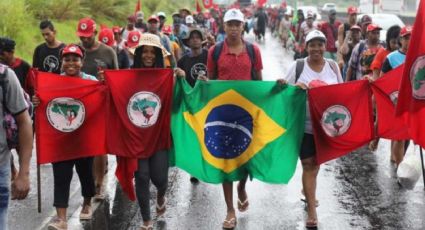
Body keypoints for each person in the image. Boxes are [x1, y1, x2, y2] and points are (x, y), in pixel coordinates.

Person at [206, 9, 263, 229]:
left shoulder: (252, 50)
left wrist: (274, 90)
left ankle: (241, 186)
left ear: (242, 26)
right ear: (224, 26)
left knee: (246, 157)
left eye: (237, 24)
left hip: (246, 114)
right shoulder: (215, 50)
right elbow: (210, 83)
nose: (233, 28)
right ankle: (230, 210)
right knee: (226, 160)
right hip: (222, 113)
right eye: (229, 24)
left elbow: (259, 82)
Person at [282, 30, 343, 228]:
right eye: (312, 45)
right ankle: (312, 209)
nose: (316, 49)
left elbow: (342, 93)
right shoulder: (298, 66)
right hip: (304, 126)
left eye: (320, 44)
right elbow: (283, 93)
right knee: (309, 165)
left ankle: (307, 191)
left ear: (326, 47)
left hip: (326, 127)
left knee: (315, 165)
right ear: (305, 47)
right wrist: (293, 88)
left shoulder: (333, 66)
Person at [32, 44, 96, 230]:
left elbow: (103, 98)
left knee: (85, 174)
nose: (71, 63)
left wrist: (103, 85)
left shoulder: (91, 80)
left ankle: (87, 202)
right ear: (61, 62)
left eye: (75, 59)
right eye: (67, 59)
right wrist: (37, 101)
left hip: (84, 139)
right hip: (61, 140)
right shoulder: (52, 82)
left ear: (82, 62)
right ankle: (62, 219)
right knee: (61, 175)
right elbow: (43, 104)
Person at [127, 33, 171, 230]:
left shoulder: (166, 75)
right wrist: (106, 81)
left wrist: (178, 77)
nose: (148, 56)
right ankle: (146, 220)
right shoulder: (127, 76)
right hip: (136, 137)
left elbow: (176, 101)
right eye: (144, 51)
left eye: (152, 52)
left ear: (158, 55)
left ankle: (161, 195)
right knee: (142, 176)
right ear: (138, 53)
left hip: (159, 136)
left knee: (160, 179)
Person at [76, 17, 118, 199]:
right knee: (85, 147)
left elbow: (116, 79)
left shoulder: (108, 52)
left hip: (101, 104)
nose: (84, 40)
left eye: (87, 36)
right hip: (79, 105)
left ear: (94, 33)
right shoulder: (76, 51)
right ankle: (89, 182)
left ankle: (99, 183)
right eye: (81, 37)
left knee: (99, 146)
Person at [380, 26, 412, 166]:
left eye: (412, 37)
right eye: (406, 38)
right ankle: (400, 166)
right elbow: (382, 81)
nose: (409, 41)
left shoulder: (419, 57)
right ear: (401, 40)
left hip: (413, 103)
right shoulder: (391, 58)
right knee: (400, 136)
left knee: (407, 136)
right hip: (396, 102)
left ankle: (398, 158)